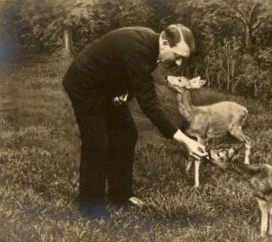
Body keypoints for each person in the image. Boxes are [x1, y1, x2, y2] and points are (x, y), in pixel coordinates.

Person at [62, 24, 207, 219]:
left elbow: (130, 72)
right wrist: (186, 140)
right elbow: (150, 104)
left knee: (127, 134)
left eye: (183, 59)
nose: (179, 64)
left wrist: (125, 92)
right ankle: (90, 206)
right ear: (164, 42)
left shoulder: (152, 48)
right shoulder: (140, 47)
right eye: (178, 56)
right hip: (83, 85)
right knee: (97, 142)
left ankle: (121, 195)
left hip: (105, 87)